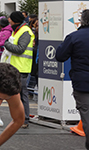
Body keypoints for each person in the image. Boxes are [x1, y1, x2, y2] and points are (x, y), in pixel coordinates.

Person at [55, 9, 89, 150]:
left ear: (82, 20)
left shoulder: (75, 37)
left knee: (87, 117)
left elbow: (60, 56)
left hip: (82, 83)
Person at [4, 11, 35, 128]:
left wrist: (7, 45)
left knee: (22, 94)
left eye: (10, 18)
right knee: (16, 94)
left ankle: (25, 119)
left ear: (15, 20)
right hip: (15, 67)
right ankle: (20, 118)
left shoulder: (25, 31)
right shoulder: (17, 30)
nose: (8, 20)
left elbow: (20, 49)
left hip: (21, 68)